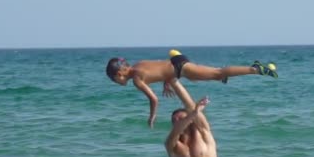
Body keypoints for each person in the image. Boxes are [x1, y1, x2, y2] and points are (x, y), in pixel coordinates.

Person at [106, 49, 277, 128]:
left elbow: (153, 99)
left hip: (181, 68)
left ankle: (255, 69)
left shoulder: (136, 79)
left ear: (121, 73)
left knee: (218, 73)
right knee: (204, 77)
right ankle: (224, 76)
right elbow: (160, 68)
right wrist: (167, 81)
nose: (118, 83)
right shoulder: (139, 65)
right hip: (176, 63)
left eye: (115, 80)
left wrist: (152, 117)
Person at [164, 78, 222, 157]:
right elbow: (176, 131)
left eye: (181, 118)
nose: (177, 121)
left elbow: (189, 105)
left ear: (192, 121)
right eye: (175, 120)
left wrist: (173, 82)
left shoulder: (204, 135)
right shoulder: (173, 145)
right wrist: (193, 113)